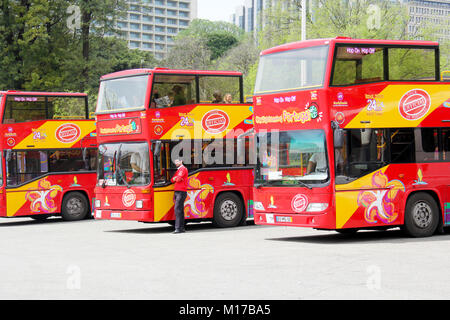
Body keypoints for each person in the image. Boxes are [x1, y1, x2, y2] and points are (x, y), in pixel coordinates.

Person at [171, 159, 188, 233]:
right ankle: (181, 228)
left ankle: (178, 228)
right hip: (178, 191)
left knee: (177, 209)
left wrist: (176, 178)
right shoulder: (178, 170)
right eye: (175, 161)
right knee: (179, 210)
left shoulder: (183, 169)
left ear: (181, 161)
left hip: (181, 192)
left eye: (177, 161)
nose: (176, 163)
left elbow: (177, 179)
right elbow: (172, 180)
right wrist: (176, 178)